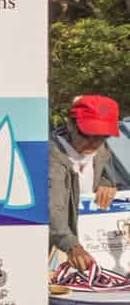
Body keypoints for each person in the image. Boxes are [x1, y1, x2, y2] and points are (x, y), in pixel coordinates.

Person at [49, 94, 125, 270]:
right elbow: (52, 206)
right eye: (87, 134)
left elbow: (106, 171)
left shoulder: (102, 149)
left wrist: (106, 183)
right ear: (70, 125)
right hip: (57, 245)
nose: (94, 142)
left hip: (89, 242)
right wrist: (71, 245)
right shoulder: (50, 156)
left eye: (103, 135)